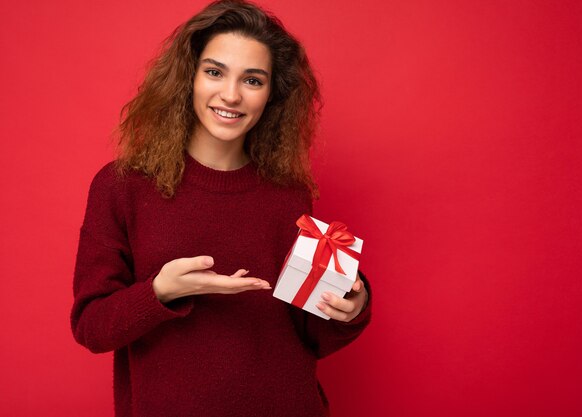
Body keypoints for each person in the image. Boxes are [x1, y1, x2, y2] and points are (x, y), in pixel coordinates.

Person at [70, 1, 372, 416]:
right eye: (214, 72)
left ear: (271, 94)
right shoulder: (122, 186)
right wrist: (162, 291)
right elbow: (92, 327)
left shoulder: (289, 192)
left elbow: (310, 333)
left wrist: (350, 307)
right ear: (188, 78)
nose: (231, 94)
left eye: (252, 80)